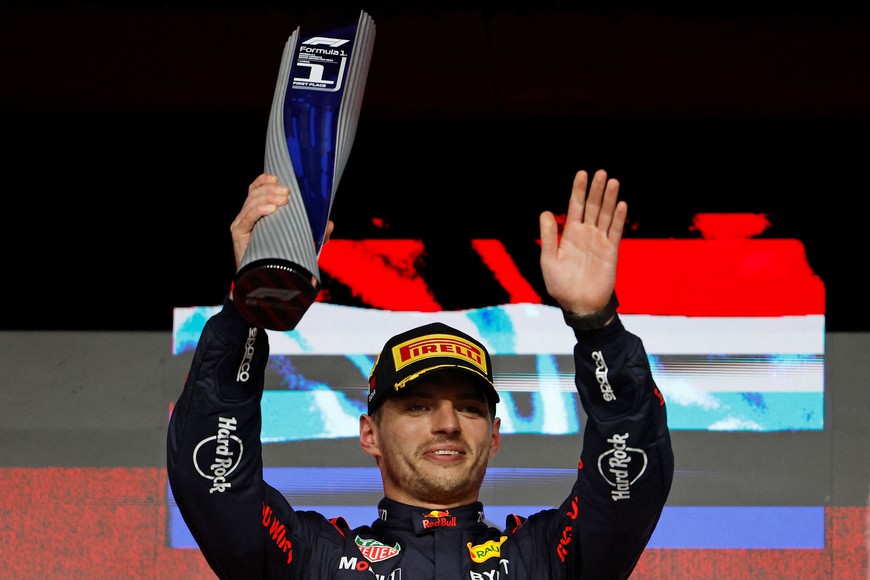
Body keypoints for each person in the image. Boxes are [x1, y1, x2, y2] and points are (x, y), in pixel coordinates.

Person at [167, 169, 674, 579]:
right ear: (370, 434)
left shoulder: (541, 561)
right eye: (418, 405)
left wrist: (598, 327)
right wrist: (248, 311)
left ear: (494, 436)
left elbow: (626, 480)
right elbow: (214, 478)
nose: (448, 422)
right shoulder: (314, 561)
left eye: (471, 407)